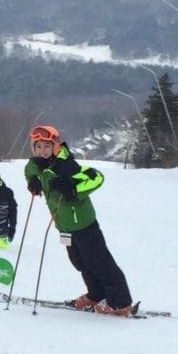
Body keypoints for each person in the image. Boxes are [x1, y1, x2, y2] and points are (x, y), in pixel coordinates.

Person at [24, 124, 134, 316]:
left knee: (100, 262)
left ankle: (120, 303)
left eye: (47, 146)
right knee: (80, 262)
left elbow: (97, 177)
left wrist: (73, 190)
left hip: (84, 225)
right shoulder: (37, 165)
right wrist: (32, 181)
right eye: (38, 146)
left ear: (55, 147)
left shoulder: (67, 166)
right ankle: (96, 294)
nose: (42, 151)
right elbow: (30, 169)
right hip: (64, 227)